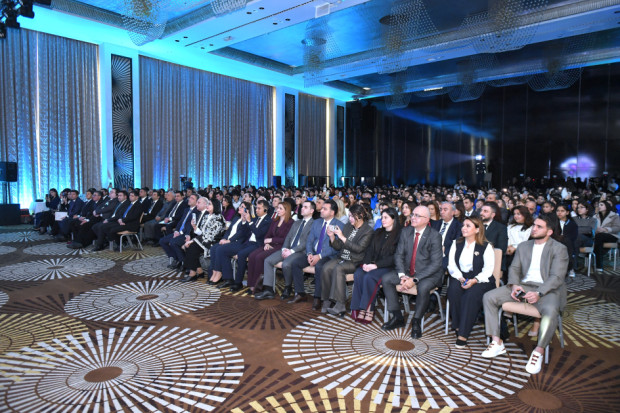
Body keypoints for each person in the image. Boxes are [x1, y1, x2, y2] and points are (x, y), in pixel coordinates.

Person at [481, 214, 568, 375]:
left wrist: (539, 292)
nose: (534, 229)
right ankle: (497, 341)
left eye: (539, 227)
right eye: (534, 225)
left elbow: (556, 277)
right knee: (489, 297)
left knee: (550, 311)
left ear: (549, 232)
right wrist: (514, 285)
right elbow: (514, 268)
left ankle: (539, 351)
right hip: (523, 285)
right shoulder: (524, 246)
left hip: (548, 289)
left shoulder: (559, 249)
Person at [381, 206, 443, 339]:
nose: (413, 217)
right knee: (386, 279)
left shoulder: (435, 236)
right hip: (408, 272)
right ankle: (397, 317)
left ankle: (416, 321)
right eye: (413, 214)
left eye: (417, 216)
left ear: (426, 219)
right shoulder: (406, 231)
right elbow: (399, 255)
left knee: (423, 287)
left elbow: (435, 264)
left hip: (428, 274)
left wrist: (414, 280)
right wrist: (402, 275)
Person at [447, 216, 495, 348]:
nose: (463, 228)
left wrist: (475, 280)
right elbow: (451, 265)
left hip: (481, 279)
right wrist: (459, 277)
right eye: (463, 225)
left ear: (477, 229)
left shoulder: (486, 246)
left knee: (470, 295)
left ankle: (463, 334)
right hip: (461, 276)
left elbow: (488, 270)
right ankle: (458, 326)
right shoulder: (456, 243)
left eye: (468, 226)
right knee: (453, 290)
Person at [289, 199, 345, 311]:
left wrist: (319, 256)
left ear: (332, 212)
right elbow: (309, 240)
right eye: (322, 208)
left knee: (319, 266)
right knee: (295, 263)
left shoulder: (339, 225)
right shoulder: (317, 222)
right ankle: (300, 293)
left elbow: (335, 248)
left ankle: (317, 297)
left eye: (325, 209)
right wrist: (310, 253)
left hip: (328, 256)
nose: (321, 210)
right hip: (313, 253)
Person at [254, 201, 316, 302]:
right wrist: (284, 249)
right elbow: (288, 237)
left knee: (286, 264)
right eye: (302, 207)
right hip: (288, 249)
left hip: (301, 251)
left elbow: (306, 242)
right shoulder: (297, 222)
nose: (302, 208)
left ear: (312, 211)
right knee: (268, 261)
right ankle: (268, 290)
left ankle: (288, 287)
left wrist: (291, 251)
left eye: (305, 207)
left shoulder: (314, 224)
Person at [350, 207, 401, 324]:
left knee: (369, 277)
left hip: (389, 267)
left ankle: (368, 309)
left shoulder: (400, 234)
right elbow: (369, 250)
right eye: (382, 217)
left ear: (394, 219)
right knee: (359, 274)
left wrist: (376, 265)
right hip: (374, 265)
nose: (382, 220)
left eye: (386, 217)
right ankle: (358, 308)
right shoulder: (378, 232)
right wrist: (366, 264)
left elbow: (396, 257)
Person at [321, 204, 374, 315]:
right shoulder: (348, 226)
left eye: (352, 216)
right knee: (326, 268)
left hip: (355, 260)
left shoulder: (368, 230)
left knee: (338, 268)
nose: (350, 219)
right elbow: (338, 247)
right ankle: (327, 300)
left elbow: (359, 249)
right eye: (349, 216)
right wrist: (332, 237)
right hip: (342, 257)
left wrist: (342, 237)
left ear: (360, 215)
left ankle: (340, 304)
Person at [246, 202, 294, 293]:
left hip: (281, 247)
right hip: (270, 245)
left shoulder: (291, 222)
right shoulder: (275, 220)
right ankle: (251, 284)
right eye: (277, 208)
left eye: (280, 208)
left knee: (260, 257)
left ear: (286, 210)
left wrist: (271, 240)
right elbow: (267, 235)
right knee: (252, 255)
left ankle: (258, 285)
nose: (277, 210)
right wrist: (267, 243)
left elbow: (286, 239)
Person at [180, 198, 226, 282]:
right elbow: (202, 233)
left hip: (212, 242)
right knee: (190, 246)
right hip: (203, 240)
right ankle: (198, 271)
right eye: (207, 204)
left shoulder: (219, 217)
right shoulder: (206, 216)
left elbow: (210, 236)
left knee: (191, 246)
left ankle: (193, 273)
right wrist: (195, 227)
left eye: (210, 204)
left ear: (215, 206)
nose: (207, 206)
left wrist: (192, 241)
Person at [208, 202, 252, 285]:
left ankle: (222, 274)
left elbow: (241, 234)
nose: (239, 207)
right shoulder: (236, 218)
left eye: (242, 207)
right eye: (240, 206)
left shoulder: (248, 221)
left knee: (220, 249)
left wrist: (229, 241)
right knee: (213, 248)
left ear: (247, 210)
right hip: (229, 241)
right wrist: (224, 238)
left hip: (239, 243)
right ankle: (215, 272)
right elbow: (228, 231)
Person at [593, 200, 620, 271]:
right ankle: (599, 265)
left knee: (599, 237)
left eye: (601, 205)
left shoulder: (614, 216)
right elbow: (592, 227)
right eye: (599, 205)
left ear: (607, 206)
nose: (599, 206)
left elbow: (617, 228)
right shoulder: (595, 216)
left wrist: (605, 229)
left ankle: (598, 262)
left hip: (611, 235)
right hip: (598, 236)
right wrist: (596, 230)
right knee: (598, 238)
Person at [556, 204, 578, 277]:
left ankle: (570, 268)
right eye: (558, 211)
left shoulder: (572, 224)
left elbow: (573, 236)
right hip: (555, 241)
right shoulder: (554, 222)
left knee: (568, 242)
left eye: (562, 211)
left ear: (567, 212)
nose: (559, 213)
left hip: (567, 242)